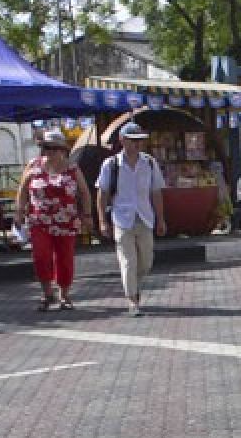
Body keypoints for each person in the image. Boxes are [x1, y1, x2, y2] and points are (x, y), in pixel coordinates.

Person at [14, 129, 94, 312]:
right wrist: (19, 212)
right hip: (39, 220)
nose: (48, 152)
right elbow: (23, 190)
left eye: (52, 148)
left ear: (62, 150)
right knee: (41, 256)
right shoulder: (33, 165)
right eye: (45, 148)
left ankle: (64, 295)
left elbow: (84, 192)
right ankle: (47, 293)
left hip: (66, 221)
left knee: (64, 259)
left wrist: (87, 215)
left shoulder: (72, 168)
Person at [96, 122, 167, 316]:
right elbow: (101, 194)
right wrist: (103, 221)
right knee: (128, 261)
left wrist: (160, 219)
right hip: (122, 218)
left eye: (140, 140)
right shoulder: (111, 165)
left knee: (146, 262)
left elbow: (156, 192)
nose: (137, 144)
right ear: (122, 140)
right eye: (133, 140)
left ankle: (133, 286)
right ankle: (132, 300)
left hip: (145, 217)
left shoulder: (149, 163)